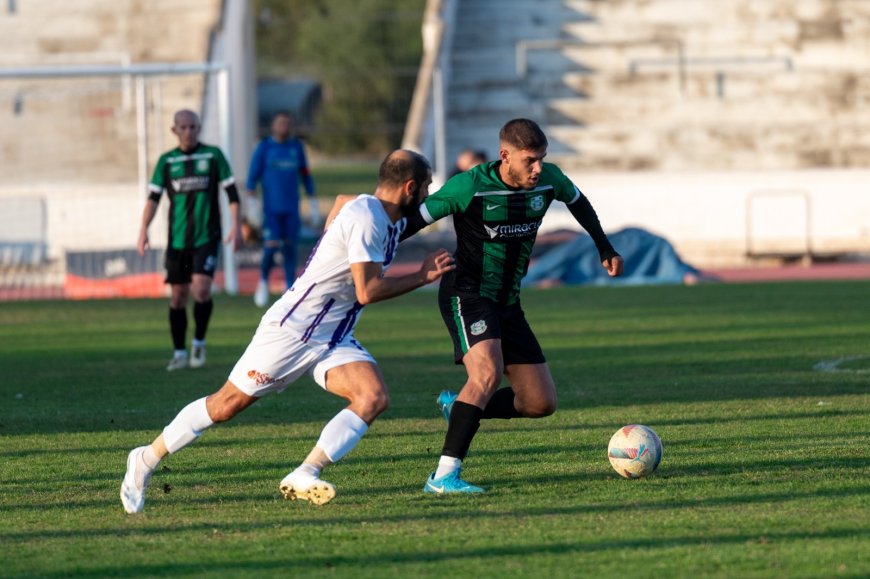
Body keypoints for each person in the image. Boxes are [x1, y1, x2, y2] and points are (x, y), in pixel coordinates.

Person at [121, 150, 454, 513]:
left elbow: (343, 201)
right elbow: (367, 292)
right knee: (226, 405)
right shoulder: (367, 218)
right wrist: (422, 276)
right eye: (425, 188)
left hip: (333, 336)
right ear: (408, 187)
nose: (425, 195)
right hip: (292, 331)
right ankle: (145, 459)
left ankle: (304, 473)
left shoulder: (371, 211)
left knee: (373, 398)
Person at [401, 118, 625, 494]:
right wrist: (365, 252)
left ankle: (460, 407)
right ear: (505, 156)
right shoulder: (470, 186)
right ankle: (442, 477)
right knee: (486, 374)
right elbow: (413, 221)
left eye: (541, 159)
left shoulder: (550, 180)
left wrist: (604, 246)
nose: (538, 168)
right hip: (467, 294)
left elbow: (578, 202)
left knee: (539, 402)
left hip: (508, 301)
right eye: (530, 161)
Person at [137, 109, 240, 372]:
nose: (189, 132)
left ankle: (198, 343)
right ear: (175, 130)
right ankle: (179, 352)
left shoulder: (213, 155)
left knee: (202, 289)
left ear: (199, 127)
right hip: (178, 241)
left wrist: (236, 226)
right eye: (183, 127)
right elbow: (153, 199)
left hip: (207, 236)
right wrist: (143, 230)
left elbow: (231, 193)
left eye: (193, 126)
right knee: (179, 296)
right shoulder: (167, 162)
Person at [246, 111, 319, 307]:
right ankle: (263, 281)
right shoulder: (264, 148)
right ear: (273, 126)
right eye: (281, 123)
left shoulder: (296, 148)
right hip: (271, 211)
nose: (284, 127)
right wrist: (252, 202)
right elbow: (252, 178)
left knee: (289, 248)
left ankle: (289, 288)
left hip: (291, 209)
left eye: (288, 124)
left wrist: (312, 200)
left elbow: (305, 175)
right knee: (270, 247)